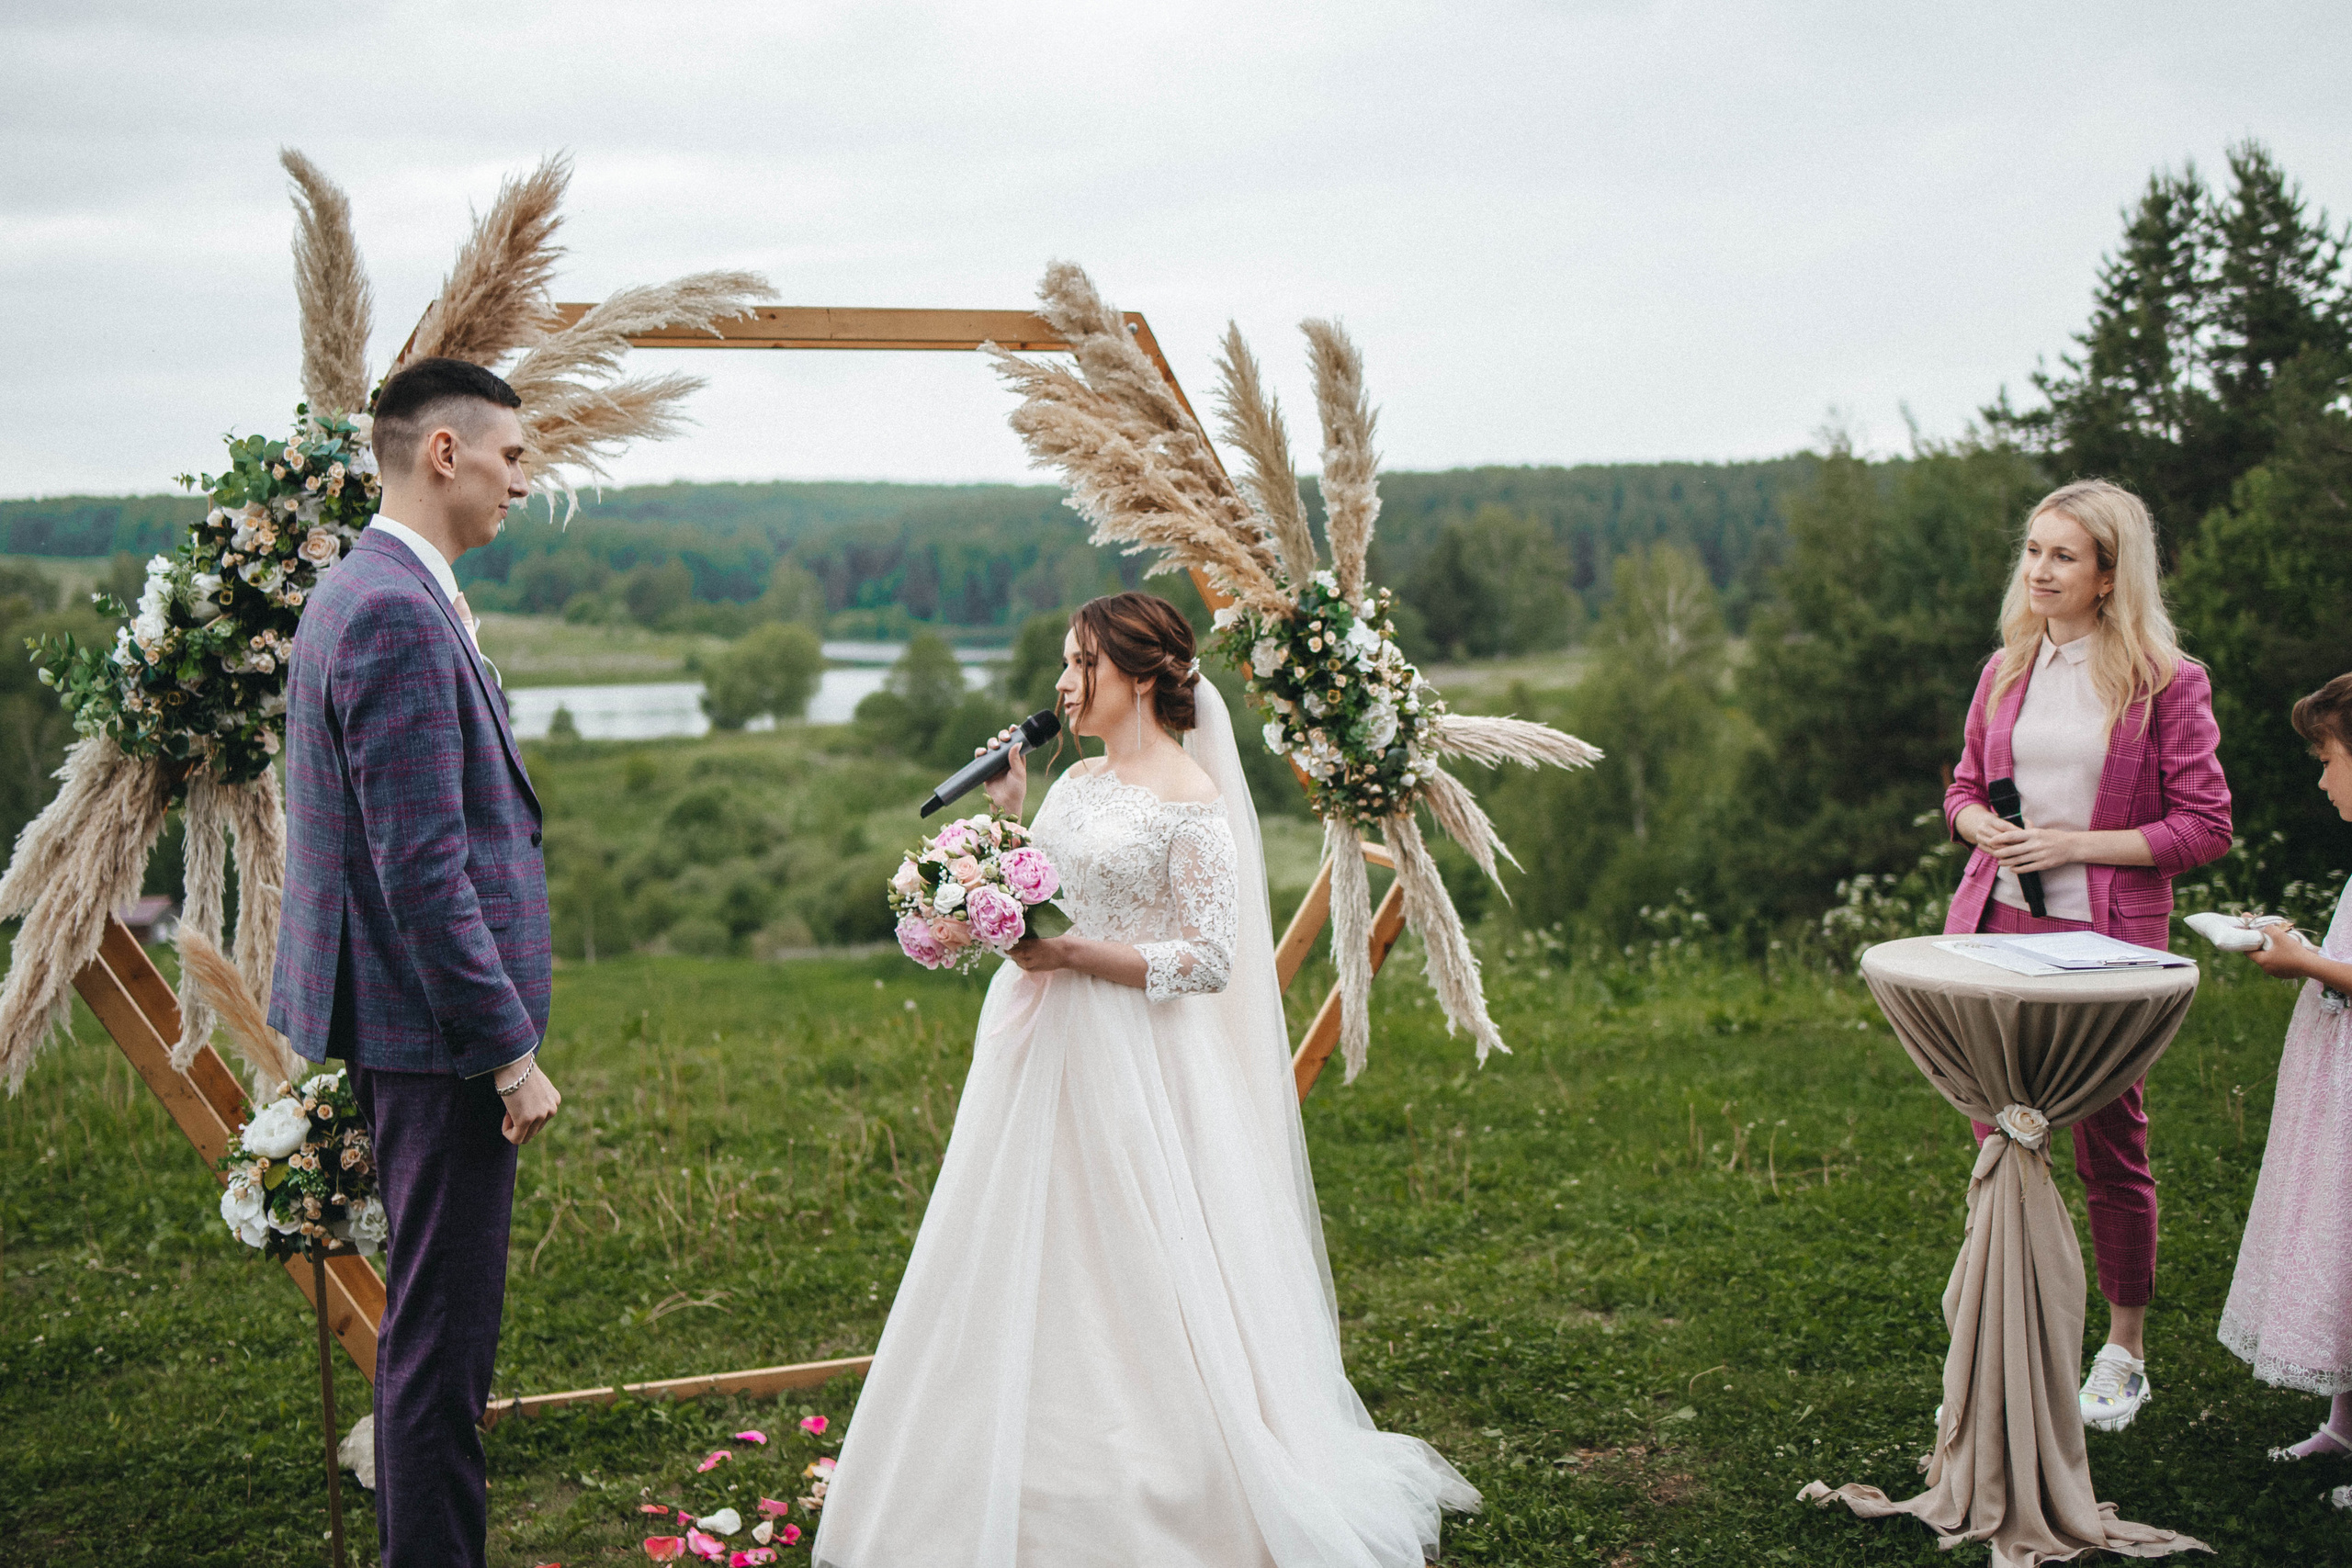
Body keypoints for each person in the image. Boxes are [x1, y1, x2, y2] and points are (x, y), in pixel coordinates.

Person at [813, 592, 1477, 1567]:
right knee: (1029, 1240)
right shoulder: (1075, 784)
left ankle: (1170, 1468)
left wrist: (1078, 956)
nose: (1061, 683)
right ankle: (1026, 1445)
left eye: (1079, 664)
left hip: (1138, 1059)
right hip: (1044, 1049)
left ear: (1136, 674)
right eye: (1063, 664)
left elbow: (1209, 958)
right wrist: (1003, 831)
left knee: (1138, 1252)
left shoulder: (1192, 800)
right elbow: (1053, 889)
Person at [267, 356, 561, 1568]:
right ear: (445, 452)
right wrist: (507, 1053)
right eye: (512, 457)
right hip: (436, 1039)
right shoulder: (392, 608)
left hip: (404, 1025)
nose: (524, 481)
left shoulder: (369, 584)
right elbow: (423, 865)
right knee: (442, 1345)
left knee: (430, 1334)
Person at [1942, 479, 2230, 1433]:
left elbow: (2202, 827)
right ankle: (2014, 1330)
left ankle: (2123, 1350)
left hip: (2103, 943)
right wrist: (1983, 823)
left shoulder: (2161, 681)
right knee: (2001, 1137)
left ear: (2110, 575)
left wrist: (2070, 846)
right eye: (2032, 551)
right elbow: (1962, 790)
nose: (2039, 571)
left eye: (2063, 556)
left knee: (2112, 1141)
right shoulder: (2005, 667)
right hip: (1998, 933)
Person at [2218, 673, 2352, 1461]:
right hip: (2335, 1082)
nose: (2322, 775)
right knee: (2339, 1237)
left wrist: (2306, 962)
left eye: (2329, 757)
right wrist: (2300, 945)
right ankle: (2344, 1423)